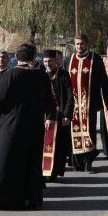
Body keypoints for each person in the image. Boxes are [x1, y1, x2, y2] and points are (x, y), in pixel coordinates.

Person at [0, 43, 52, 210]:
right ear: (34, 58)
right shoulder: (41, 76)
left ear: (16, 58)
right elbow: (49, 102)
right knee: (31, 162)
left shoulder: (10, 75)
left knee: (8, 161)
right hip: (34, 126)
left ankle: (6, 199)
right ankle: (31, 199)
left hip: (12, 125)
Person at [63, 34, 108, 172]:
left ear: (87, 44)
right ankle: (76, 162)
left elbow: (104, 81)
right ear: (74, 44)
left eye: (82, 44)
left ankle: (88, 162)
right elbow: (63, 84)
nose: (79, 46)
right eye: (77, 44)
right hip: (72, 105)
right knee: (74, 133)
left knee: (89, 132)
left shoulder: (95, 59)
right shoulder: (68, 60)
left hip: (89, 104)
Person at [43, 50, 73, 181]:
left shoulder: (64, 75)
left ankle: (54, 171)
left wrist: (67, 114)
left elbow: (70, 97)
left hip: (60, 116)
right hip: (44, 117)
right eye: (45, 61)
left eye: (50, 61)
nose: (47, 63)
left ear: (55, 61)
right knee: (44, 145)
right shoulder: (40, 75)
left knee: (58, 146)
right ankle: (44, 171)